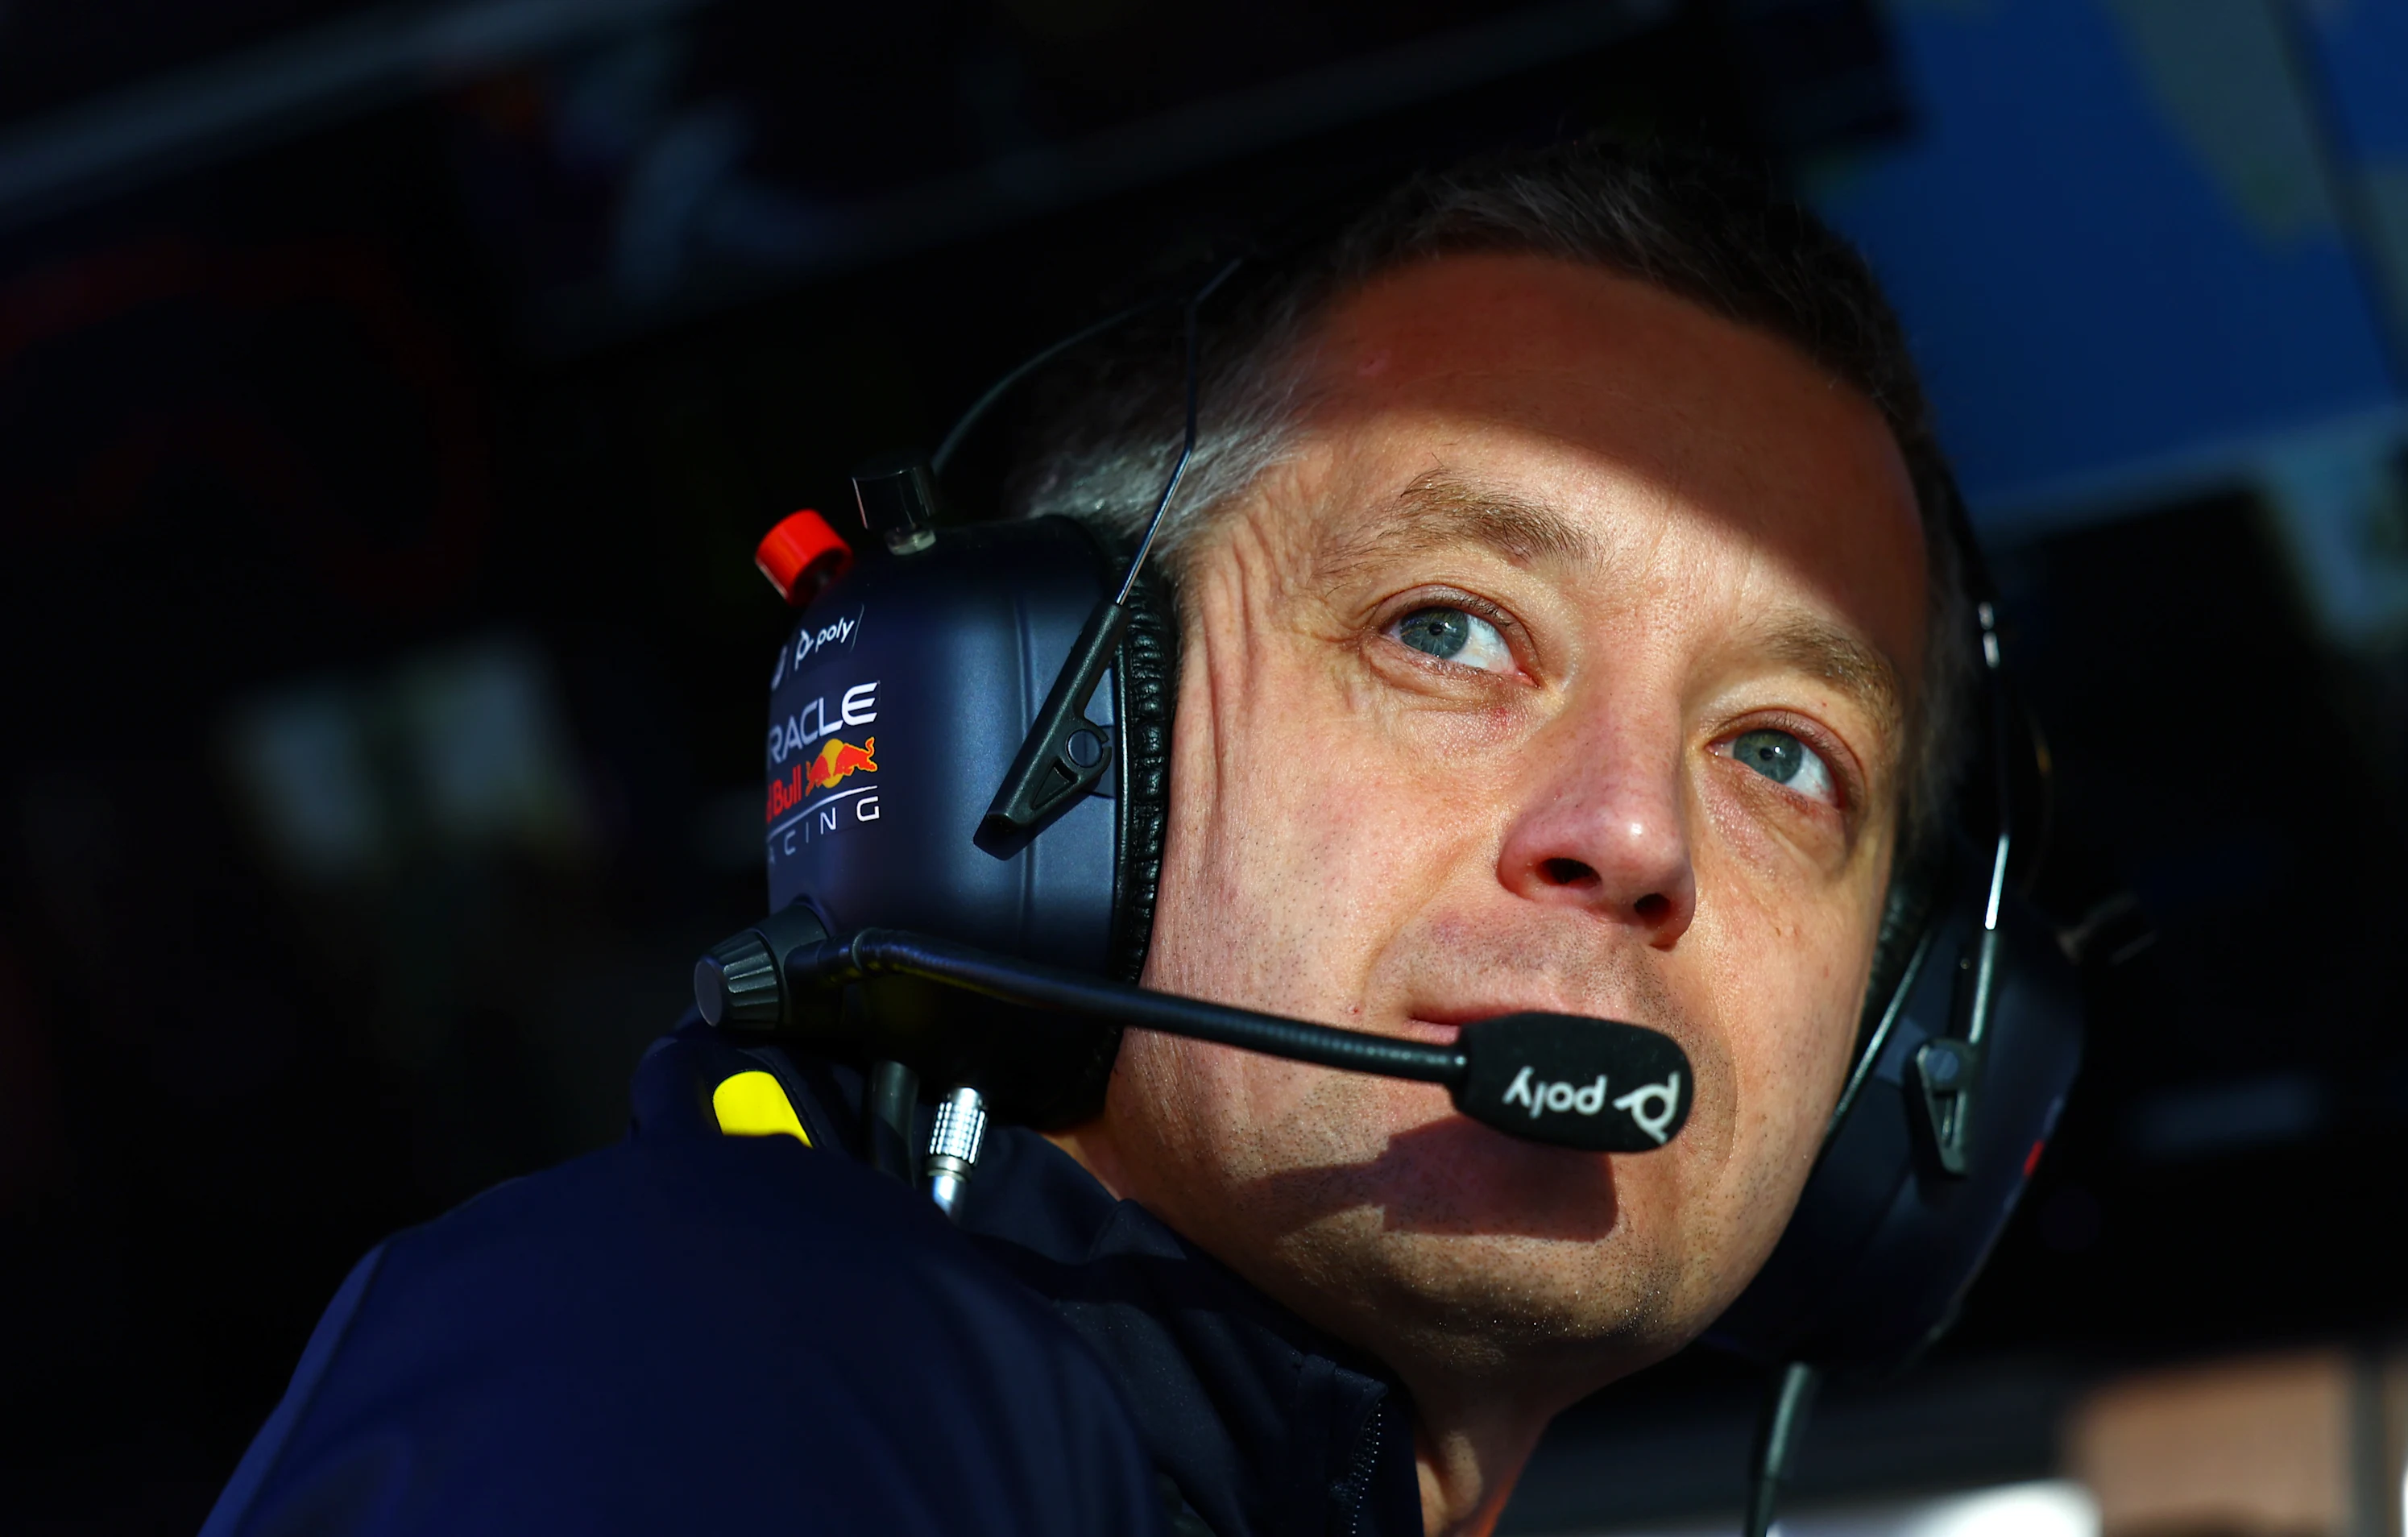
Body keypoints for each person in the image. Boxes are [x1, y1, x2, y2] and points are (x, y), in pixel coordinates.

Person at [200, 139, 1975, 1537]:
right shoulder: (745, 1366)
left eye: (1781, 753)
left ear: (1892, 1043)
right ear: (1042, 751)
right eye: (1446, 629)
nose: (1634, 831)